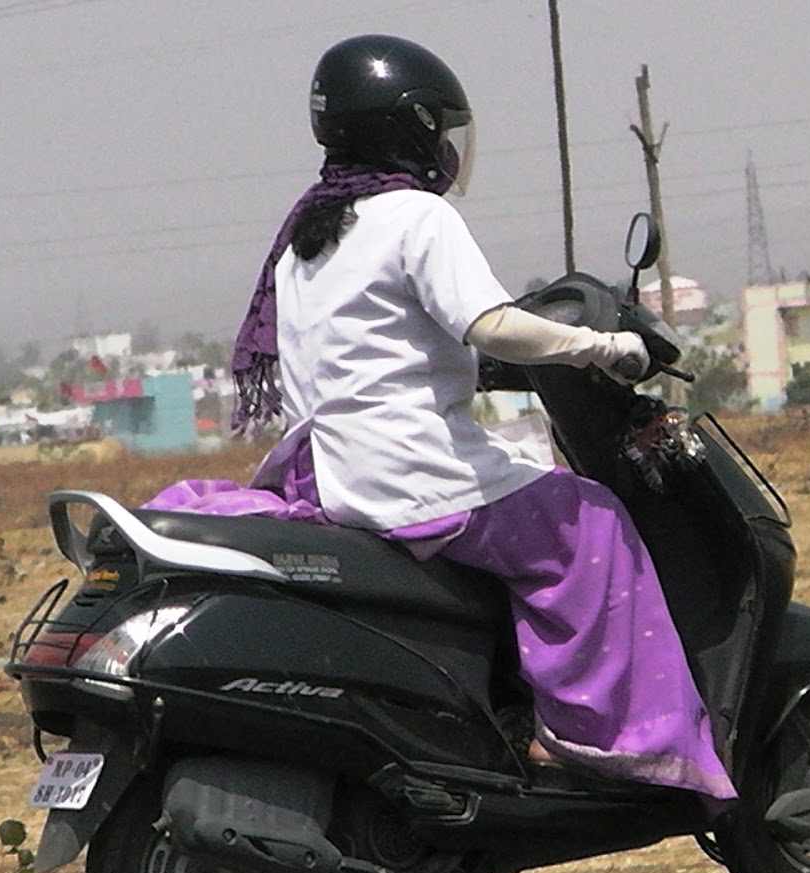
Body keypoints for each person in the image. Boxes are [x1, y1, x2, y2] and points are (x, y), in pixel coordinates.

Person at [151, 34, 734, 801]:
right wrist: (606, 347)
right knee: (591, 521)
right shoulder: (417, 216)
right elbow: (489, 323)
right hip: (414, 474)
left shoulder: (307, 237)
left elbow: (373, 348)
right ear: (414, 127)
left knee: (528, 485)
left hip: (333, 474)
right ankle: (589, 736)